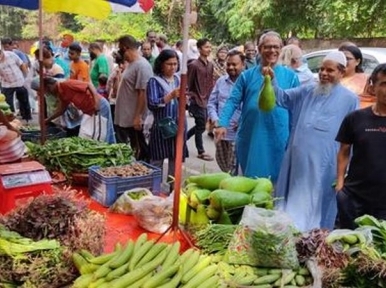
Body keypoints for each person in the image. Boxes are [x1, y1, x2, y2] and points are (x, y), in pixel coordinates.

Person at [271, 51, 358, 232]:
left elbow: (353, 136)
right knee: (292, 199)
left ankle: (312, 240)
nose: (324, 73)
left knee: (318, 206)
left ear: (341, 73)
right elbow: (282, 98)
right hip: (297, 161)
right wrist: (271, 79)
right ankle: (288, 236)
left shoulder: (350, 100)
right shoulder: (309, 89)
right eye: (321, 69)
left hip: (325, 165)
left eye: (330, 70)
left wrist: (347, 170)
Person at [215, 31, 300, 180]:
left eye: (276, 47)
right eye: (267, 47)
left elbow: (296, 109)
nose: (272, 51)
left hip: (278, 135)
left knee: (275, 183)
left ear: (281, 49)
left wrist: (295, 137)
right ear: (259, 49)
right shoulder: (246, 76)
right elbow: (233, 100)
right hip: (251, 135)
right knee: (250, 182)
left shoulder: (291, 77)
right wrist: (222, 123)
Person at [335, 63, 386, 229]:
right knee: (348, 248)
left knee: (378, 252)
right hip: (354, 198)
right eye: (384, 84)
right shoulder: (355, 118)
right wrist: (340, 185)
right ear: (373, 87)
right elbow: (344, 151)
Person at [146, 49, 187, 193]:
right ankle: (154, 189)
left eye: (175, 64)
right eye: (169, 64)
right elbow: (152, 103)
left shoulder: (178, 79)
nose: (173, 67)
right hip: (161, 126)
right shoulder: (154, 81)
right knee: (157, 159)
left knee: (175, 159)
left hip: (177, 124)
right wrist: (169, 96)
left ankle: (172, 189)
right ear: (161, 65)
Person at [41, 77, 116, 144]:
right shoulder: (61, 94)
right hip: (89, 111)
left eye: (48, 91)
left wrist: (96, 103)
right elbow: (61, 110)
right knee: (90, 134)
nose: (50, 93)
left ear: (50, 86)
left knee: (102, 133)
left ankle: (111, 151)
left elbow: (89, 85)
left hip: (99, 106)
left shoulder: (66, 84)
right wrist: (48, 120)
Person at [115, 35, 153, 161]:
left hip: (134, 120)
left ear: (126, 48)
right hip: (126, 117)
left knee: (139, 151)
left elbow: (143, 93)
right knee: (131, 151)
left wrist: (138, 117)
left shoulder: (142, 66)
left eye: (120, 49)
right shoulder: (131, 64)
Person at [208, 50, 244, 173]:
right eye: (228, 64)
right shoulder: (221, 82)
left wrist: (242, 121)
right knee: (223, 166)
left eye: (234, 64)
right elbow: (212, 103)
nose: (231, 67)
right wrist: (215, 119)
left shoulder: (247, 83)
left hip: (237, 135)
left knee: (233, 169)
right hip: (220, 134)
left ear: (243, 65)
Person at [187, 38, 215, 161]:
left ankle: (182, 139)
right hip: (196, 99)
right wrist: (190, 97)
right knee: (201, 125)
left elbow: (210, 83)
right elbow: (188, 83)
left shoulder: (210, 65)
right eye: (206, 47)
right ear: (199, 49)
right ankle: (201, 150)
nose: (208, 49)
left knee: (201, 125)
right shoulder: (193, 65)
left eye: (210, 47)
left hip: (207, 100)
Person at [0, 48, 31, 122]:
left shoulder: (11, 55)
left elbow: (22, 64)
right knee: (7, 104)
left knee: (24, 101)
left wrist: (26, 77)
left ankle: (26, 118)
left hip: (19, 81)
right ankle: (10, 119)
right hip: (6, 83)